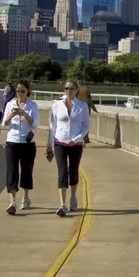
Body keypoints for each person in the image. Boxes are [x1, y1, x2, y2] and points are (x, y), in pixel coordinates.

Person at [47, 80, 90, 217]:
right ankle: (62, 203)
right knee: (62, 172)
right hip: (60, 142)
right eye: (66, 88)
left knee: (73, 171)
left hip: (76, 144)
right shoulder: (57, 105)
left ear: (76, 90)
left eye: (71, 88)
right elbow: (52, 125)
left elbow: (86, 126)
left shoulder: (82, 106)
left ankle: (73, 198)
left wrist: (76, 139)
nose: (68, 91)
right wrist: (49, 144)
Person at [1, 81, 40, 215]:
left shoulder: (33, 105)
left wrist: (24, 113)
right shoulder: (10, 104)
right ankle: (12, 201)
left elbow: (35, 125)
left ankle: (26, 196)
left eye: (23, 91)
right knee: (12, 171)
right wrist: (11, 116)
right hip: (12, 141)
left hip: (27, 143)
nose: (20, 94)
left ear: (28, 91)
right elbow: (4, 124)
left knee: (26, 170)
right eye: (18, 91)